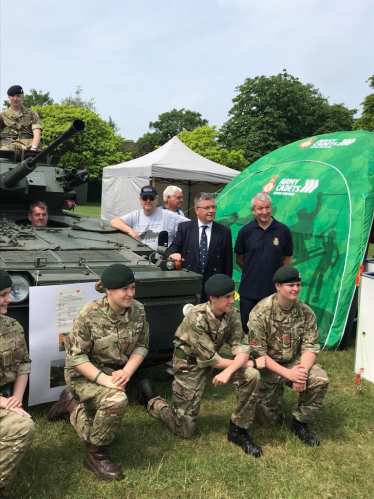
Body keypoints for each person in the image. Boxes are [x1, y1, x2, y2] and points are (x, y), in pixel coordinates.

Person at [143, 274, 266, 457]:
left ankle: (238, 430)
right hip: (189, 363)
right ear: (213, 298)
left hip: (214, 358)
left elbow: (241, 348)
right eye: (228, 297)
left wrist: (231, 370)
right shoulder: (196, 317)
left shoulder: (231, 313)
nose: (233, 301)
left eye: (234, 296)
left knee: (251, 375)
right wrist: (251, 362)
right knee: (183, 430)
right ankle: (151, 400)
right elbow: (211, 360)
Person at [47, 264, 149, 481]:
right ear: (109, 290)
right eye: (124, 289)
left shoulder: (138, 310)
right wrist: (106, 381)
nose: (130, 293)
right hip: (84, 375)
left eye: (132, 287)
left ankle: (70, 405)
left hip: (115, 373)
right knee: (117, 400)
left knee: (99, 426)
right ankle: (96, 456)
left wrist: (127, 372)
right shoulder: (89, 314)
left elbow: (142, 345)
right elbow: (76, 358)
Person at [248, 266, 329, 446]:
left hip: (295, 362)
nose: (295, 289)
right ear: (278, 286)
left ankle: (300, 424)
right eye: (290, 285)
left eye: (298, 285)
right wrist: (288, 375)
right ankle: (272, 403)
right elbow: (258, 353)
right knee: (269, 421)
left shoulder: (306, 312)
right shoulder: (260, 313)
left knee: (320, 379)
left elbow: (310, 346)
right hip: (269, 366)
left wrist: (302, 372)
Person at [235, 192, 293, 333]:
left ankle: (269, 355)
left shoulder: (283, 230)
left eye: (267, 208)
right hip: (249, 290)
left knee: (273, 329)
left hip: (274, 291)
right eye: (260, 209)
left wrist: (279, 279)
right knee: (247, 328)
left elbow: (288, 259)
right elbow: (239, 258)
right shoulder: (245, 231)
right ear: (253, 210)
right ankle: (248, 354)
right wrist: (253, 271)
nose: (264, 212)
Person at [0, 270, 35, 497]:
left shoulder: (12, 326)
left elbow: (23, 363)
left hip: (5, 397)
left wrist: (17, 399)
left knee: (23, 426)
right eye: (3, 295)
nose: (10, 299)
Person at [168, 192, 233, 302]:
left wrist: (226, 287)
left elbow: (228, 262)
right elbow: (174, 247)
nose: (211, 211)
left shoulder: (224, 231)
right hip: (190, 284)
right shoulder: (185, 228)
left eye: (213, 207)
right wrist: (174, 253)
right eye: (207, 208)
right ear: (197, 210)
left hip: (214, 288)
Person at [110, 185, 189, 250]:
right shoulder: (135, 215)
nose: (148, 201)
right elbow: (114, 221)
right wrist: (131, 231)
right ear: (140, 200)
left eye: (151, 198)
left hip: (160, 263)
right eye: (145, 198)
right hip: (139, 260)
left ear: (157, 199)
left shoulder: (168, 216)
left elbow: (191, 225)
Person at [0, 85, 42, 156]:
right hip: (13, 145)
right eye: (12, 96)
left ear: (23, 97)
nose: (15, 99)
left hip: (30, 144)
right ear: (9, 97)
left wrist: (33, 148)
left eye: (18, 96)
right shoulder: (4, 114)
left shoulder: (32, 113)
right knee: (4, 152)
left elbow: (37, 133)